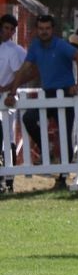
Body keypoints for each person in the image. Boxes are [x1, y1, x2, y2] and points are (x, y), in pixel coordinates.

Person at [4, 14, 78, 189]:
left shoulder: (61, 45)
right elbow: (23, 70)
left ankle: (62, 179)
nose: (44, 32)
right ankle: (46, 150)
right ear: (36, 30)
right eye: (41, 29)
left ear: (52, 29)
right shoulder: (35, 47)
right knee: (28, 118)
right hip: (48, 93)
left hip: (66, 92)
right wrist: (12, 92)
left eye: (47, 29)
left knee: (65, 134)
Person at [0, 14, 27, 192]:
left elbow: (22, 72)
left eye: (12, 29)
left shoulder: (13, 50)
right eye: (5, 28)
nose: (8, 32)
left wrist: (9, 88)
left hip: (5, 98)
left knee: (6, 135)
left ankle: (8, 180)